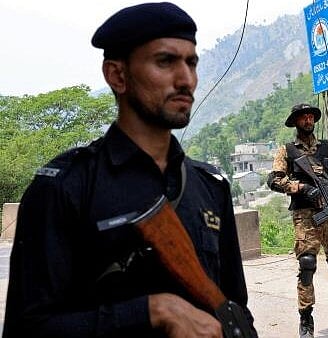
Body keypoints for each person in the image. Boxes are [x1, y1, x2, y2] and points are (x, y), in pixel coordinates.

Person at [3, 3, 257, 338]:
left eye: (191, 62)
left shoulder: (210, 185)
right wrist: (152, 311)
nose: (186, 79)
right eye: (165, 61)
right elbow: (29, 328)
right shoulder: (65, 186)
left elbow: (234, 305)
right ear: (117, 75)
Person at [267, 103, 328, 338]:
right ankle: (306, 321)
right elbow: (275, 180)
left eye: (311, 117)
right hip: (305, 216)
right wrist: (301, 188)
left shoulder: (326, 148)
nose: (308, 121)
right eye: (303, 117)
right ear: (296, 122)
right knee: (307, 264)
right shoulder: (287, 151)